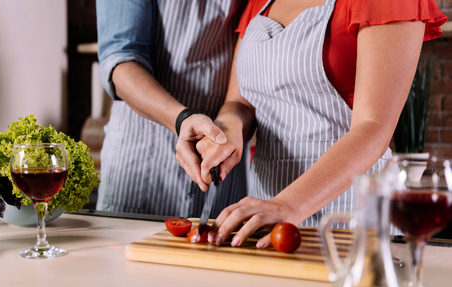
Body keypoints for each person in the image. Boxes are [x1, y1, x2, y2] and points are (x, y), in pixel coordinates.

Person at [176, 0, 447, 247]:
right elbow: (240, 103)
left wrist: (287, 205)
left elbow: (373, 127)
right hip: (265, 214)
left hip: (351, 218)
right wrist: (225, 132)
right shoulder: (259, 3)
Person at [95, 0, 250, 218]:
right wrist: (183, 119)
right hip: (143, 154)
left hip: (222, 151)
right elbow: (120, 61)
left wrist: (229, 125)